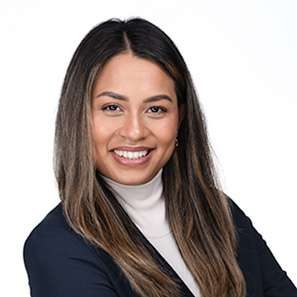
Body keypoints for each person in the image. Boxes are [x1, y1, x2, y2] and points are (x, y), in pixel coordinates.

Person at [22, 17, 297, 297]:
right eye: (112, 107)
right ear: (79, 116)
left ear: (180, 117)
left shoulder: (221, 213)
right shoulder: (57, 246)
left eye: (156, 110)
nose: (135, 131)